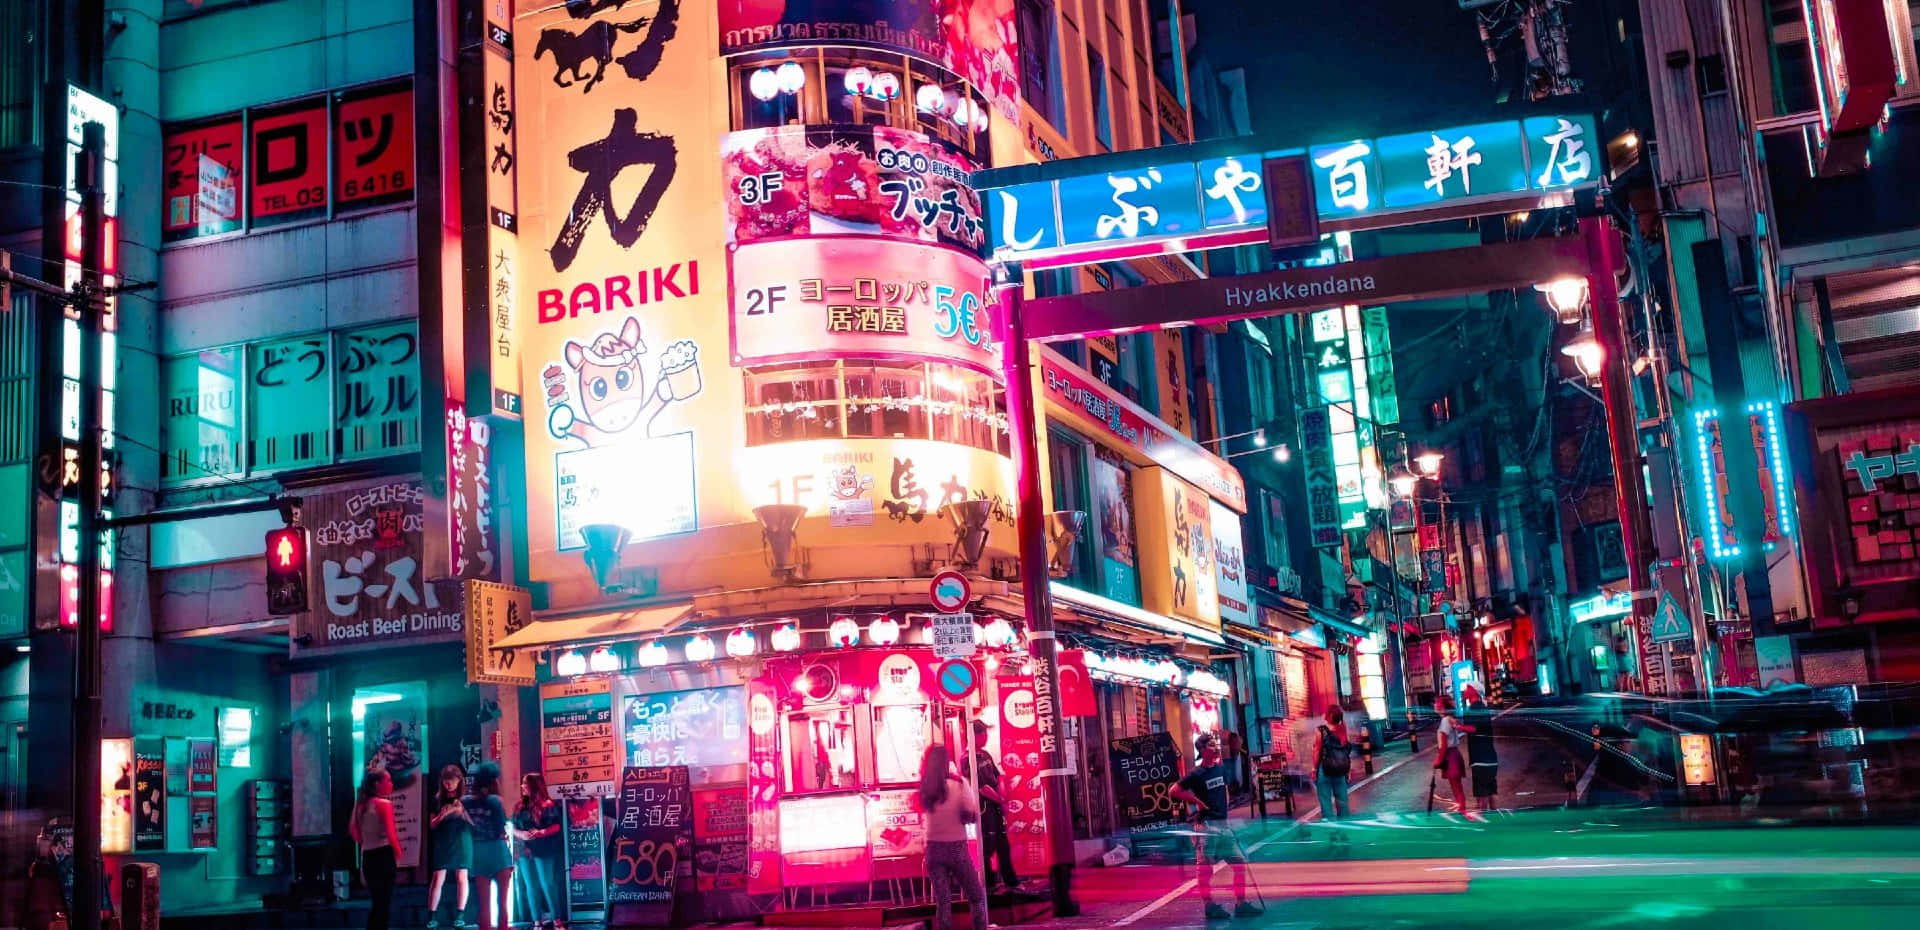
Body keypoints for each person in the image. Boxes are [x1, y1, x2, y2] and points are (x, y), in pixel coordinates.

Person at [1170, 734, 1261, 920]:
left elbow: (1225, 791)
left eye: (1216, 744)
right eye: (1212, 745)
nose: (1216, 748)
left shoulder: (1221, 769)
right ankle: (1209, 906)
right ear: (1203, 751)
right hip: (1206, 827)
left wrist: (1226, 815)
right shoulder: (1196, 774)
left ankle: (1241, 903)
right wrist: (1197, 802)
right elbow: (1174, 791)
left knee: (1239, 863)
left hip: (1223, 825)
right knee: (1205, 870)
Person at [915, 744, 987, 930]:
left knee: (943, 901)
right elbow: (970, 817)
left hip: (933, 849)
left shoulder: (924, 788)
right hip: (956, 848)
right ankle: (980, 927)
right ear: (947, 762)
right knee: (976, 895)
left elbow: (921, 814)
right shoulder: (960, 784)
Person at [512, 773, 567, 930]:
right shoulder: (519, 806)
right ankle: (537, 921)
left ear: (534, 786)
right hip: (524, 849)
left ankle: (557, 919)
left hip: (544, 848)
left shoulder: (548, 805)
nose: (522, 786)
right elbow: (513, 827)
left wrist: (541, 832)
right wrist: (521, 834)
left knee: (547, 883)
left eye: (525, 784)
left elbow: (556, 826)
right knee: (530, 885)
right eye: (522, 783)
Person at [350, 768, 402, 930]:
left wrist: (366, 841)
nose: (391, 784)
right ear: (377, 784)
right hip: (383, 855)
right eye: (388, 780)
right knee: (384, 904)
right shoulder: (383, 804)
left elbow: (353, 831)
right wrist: (398, 853)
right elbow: (391, 834)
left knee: (377, 903)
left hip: (368, 856)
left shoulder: (361, 805)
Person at [970, 720, 1018, 892]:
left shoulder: (985, 754)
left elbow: (998, 777)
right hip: (984, 809)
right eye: (983, 734)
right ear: (975, 735)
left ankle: (1011, 882)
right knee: (987, 846)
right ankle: (988, 885)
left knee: (1003, 844)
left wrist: (1002, 796)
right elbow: (983, 787)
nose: (986, 737)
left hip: (996, 805)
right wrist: (1001, 800)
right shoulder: (967, 759)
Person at [464, 765, 514, 930]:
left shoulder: (465, 801)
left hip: (478, 852)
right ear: (494, 781)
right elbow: (501, 828)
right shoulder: (495, 801)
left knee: (484, 904)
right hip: (498, 852)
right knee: (503, 901)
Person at [428, 764, 472, 929]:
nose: (448, 784)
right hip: (443, 840)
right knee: (438, 877)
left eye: (452, 780)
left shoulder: (466, 799)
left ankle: (460, 915)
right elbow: (431, 824)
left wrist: (461, 812)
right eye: (446, 780)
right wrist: (443, 815)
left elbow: (474, 823)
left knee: (462, 876)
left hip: (462, 840)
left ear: (459, 780)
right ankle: (432, 916)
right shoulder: (437, 799)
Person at [1315, 705, 1354, 830]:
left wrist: (1314, 769)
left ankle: (1330, 827)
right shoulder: (1343, 729)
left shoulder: (1320, 730)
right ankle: (1345, 825)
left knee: (1325, 800)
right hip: (1340, 769)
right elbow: (1345, 751)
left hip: (1325, 769)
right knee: (1342, 799)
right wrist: (1348, 769)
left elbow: (1317, 751)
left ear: (1327, 716)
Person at [1462, 685, 1498, 810]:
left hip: (1480, 759)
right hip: (1489, 758)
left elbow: (1474, 728)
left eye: (1468, 688)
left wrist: (1457, 727)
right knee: (1490, 794)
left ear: (1474, 692)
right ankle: (1496, 822)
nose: (1464, 690)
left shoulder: (1474, 709)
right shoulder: (1482, 708)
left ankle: (1484, 825)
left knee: (1481, 798)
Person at [1433, 694, 1469, 812]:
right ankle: (1462, 810)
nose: (1435, 705)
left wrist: (1438, 760)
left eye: (1437, 702)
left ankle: (1462, 811)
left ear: (1442, 706)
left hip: (1450, 756)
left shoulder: (1445, 721)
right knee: (1457, 787)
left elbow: (1443, 745)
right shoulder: (1449, 719)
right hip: (1454, 755)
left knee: (1456, 787)